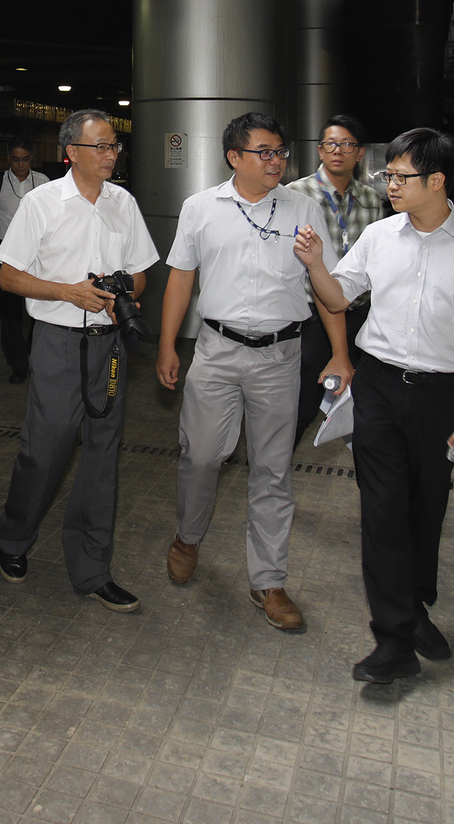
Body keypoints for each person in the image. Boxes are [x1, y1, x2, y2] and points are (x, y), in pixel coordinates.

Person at [296, 127, 454, 684]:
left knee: (426, 509)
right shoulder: (378, 236)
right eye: (388, 175)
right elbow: (338, 298)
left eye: (401, 176)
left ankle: (414, 606)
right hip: (377, 387)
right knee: (382, 511)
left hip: (442, 397)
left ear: (437, 181)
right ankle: (394, 640)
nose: (389, 185)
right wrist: (318, 264)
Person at [156, 112, 345, 632]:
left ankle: (269, 580)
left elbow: (324, 285)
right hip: (216, 351)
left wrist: (341, 353)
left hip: (280, 357)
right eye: (264, 152)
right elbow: (181, 279)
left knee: (273, 469)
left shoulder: (303, 208)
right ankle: (188, 537)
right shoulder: (200, 208)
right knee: (201, 456)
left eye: (280, 151)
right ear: (234, 157)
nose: (276, 161)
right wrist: (167, 345)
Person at [0, 110, 159, 611]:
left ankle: (92, 568)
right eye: (101, 146)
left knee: (103, 455)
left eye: (114, 146)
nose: (111, 155)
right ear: (72, 152)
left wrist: (123, 290)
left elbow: (142, 272)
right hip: (58, 342)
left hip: (110, 346)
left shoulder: (123, 203)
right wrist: (67, 291)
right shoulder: (41, 203)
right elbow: (9, 276)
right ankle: (14, 537)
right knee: (44, 450)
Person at [286, 114, 386, 440]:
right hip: (312, 318)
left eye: (346, 145)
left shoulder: (371, 200)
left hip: (360, 314)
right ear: (320, 150)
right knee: (302, 403)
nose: (338, 151)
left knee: (362, 399)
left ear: (360, 153)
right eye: (330, 144)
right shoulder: (295, 195)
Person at [0, 138, 49, 385]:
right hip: (6, 252)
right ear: (9, 159)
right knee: (10, 313)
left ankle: (35, 353)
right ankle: (18, 364)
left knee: (39, 308)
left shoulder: (42, 181)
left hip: (37, 252)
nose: (21, 165)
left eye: (25, 159)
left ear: (32, 158)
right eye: (16, 160)